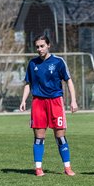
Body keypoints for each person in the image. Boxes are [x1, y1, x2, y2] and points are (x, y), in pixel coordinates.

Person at [19, 35, 78, 177]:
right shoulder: (32, 64)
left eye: (42, 46)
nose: (39, 49)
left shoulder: (58, 62)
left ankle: (67, 167)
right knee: (39, 137)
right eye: (37, 47)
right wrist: (23, 100)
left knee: (60, 136)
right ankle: (38, 168)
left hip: (55, 101)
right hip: (38, 102)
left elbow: (68, 81)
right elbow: (28, 84)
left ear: (48, 45)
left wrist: (73, 100)